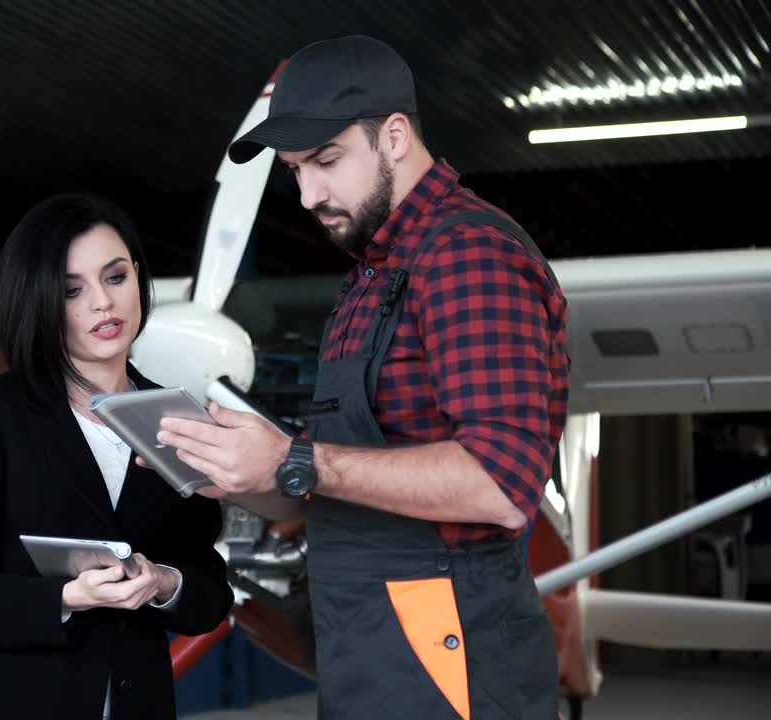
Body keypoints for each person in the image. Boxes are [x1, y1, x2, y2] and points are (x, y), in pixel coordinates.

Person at [155, 36, 570, 718]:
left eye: (325, 161)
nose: (308, 194)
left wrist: (296, 459)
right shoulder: (371, 278)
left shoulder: (469, 256)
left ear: (397, 136)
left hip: (449, 657)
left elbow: (501, 486)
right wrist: (241, 469)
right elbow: (332, 488)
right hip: (369, 654)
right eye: (294, 171)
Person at [0, 193, 234, 720]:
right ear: (38, 299)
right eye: (71, 290)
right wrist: (67, 597)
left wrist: (164, 584)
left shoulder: (176, 419)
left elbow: (210, 595)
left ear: (138, 278)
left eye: (115, 277)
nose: (102, 304)